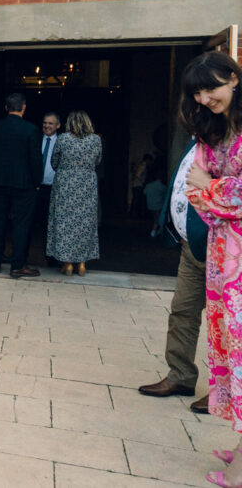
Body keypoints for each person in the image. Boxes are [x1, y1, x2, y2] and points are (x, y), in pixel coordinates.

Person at [181, 52, 242, 488]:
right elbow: (195, 192)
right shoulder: (212, 131)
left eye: (212, 87)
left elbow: (215, 191)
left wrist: (214, 188)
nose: (205, 98)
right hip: (224, 256)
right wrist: (218, 193)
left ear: (235, 78)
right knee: (230, 351)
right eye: (198, 92)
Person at [138, 137, 209, 415]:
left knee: (226, 324)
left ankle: (224, 392)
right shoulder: (195, 142)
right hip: (190, 246)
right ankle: (180, 376)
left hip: (220, 247)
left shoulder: (227, 143)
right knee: (182, 311)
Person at [0, 93, 43, 278]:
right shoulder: (31, 129)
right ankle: (18, 265)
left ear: (6, 107)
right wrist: (37, 181)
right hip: (23, 183)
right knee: (21, 224)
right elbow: (35, 159)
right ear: (23, 107)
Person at [46, 110, 102, 277]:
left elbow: (54, 161)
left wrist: (66, 170)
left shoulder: (63, 139)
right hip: (87, 184)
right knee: (85, 223)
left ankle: (68, 264)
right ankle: (82, 264)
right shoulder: (96, 140)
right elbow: (98, 160)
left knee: (64, 223)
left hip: (65, 184)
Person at [36, 112, 61, 266]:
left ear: (58, 125)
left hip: (54, 188)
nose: (47, 126)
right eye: (45, 122)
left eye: (51, 123)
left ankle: (51, 257)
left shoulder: (61, 142)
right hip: (36, 187)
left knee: (52, 224)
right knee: (35, 222)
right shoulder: (36, 139)